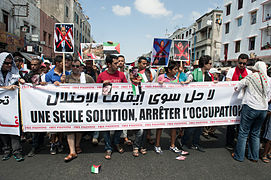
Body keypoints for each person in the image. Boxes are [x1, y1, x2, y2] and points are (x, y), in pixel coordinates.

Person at [232, 61, 271, 162]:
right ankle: (254, 157)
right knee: (256, 133)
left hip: (250, 107)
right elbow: (269, 97)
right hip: (263, 109)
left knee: (243, 132)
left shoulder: (251, 77)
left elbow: (237, 87)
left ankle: (239, 156)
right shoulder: (268, 79)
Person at [61, 59, 95, 162]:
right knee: (70, 128)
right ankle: (72, 151)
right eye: (73, 66)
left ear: (81, 67)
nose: (75, 68)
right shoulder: (66, 78)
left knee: (79, 127)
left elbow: (95, 88)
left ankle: (77, 145)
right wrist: (61, 83)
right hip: (69, 107)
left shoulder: (87, 78)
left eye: (77, 66)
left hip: (82, 107)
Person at [155, 61, 189, 160]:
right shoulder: (161, 77)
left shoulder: (176, 78)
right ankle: (157, 145)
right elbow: (154, 89)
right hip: (162, 105)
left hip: (173, 105)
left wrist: (182, 84)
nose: (176, 70)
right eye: (175, 69)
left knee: (173, 126)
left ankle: (173, 145)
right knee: (160, 126)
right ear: (169, 70)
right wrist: (158, 83)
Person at [96, 54, 128, 160]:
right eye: (115, 63)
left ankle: (116, 143)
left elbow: (126, 89)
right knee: (105, 128)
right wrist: (102, 86)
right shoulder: (101, 76)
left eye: (119, 62)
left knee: (119, 126)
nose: (118, 65)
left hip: (118, 107)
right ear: (108, 64)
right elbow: (95, 92)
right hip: (105, 107)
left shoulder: (122, 75)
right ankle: (108, 147)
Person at [181, 55, 214, 153]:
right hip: (193, 104)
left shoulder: (208, 75)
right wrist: (186, 82)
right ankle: (184, 143)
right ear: (204, 64)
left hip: (203, 105)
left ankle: (196, 143)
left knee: (199, 127)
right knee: (191, 126)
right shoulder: (194, 73)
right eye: (210, 63)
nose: (211, 65)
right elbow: (189, 80)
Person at [0, 52, 24, 162]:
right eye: (6, 63)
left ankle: (17, 151)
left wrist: (22, 82)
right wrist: (5, 88)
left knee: (14, 128)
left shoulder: (15, 74)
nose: (9, 66)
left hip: (12, 106)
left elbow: (21, 84)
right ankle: (6, 149)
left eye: (10, 63)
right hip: (2, 106)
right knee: (2, 128)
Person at [226, 54, 252, 150]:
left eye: (244, 63)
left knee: (241, 124)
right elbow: (227, 83)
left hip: (244, 101)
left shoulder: (249, 72)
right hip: (232, 100)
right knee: (231, 124)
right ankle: (229, 142)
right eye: (240, 63)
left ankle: (239, 144)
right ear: (237, 61)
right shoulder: (231, 71)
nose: (242, 65)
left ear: (247, 63)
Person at [45, 55, 70, 155]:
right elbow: (45, 89)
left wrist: (64, 82)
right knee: (53, 125)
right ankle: (52, 143)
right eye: (63, 62)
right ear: (57, 63)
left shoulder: (67, 73)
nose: (66, 64)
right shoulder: (49, 75)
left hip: (64, 102)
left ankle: (59, 142)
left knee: (61, 124)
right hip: (53, 103)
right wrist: (53, 84)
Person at [22, 58, 47, 157]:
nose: (33, 66)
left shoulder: (44, 76)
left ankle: (40, 144)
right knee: (35, 126)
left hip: (43, 103)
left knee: (41, 126)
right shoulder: (27, 75)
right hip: (31, 104)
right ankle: (34, 146)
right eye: (31, 64)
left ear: (40, 65)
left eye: (35, 65)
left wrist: (45, 84)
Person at [138, 56, 157, 145]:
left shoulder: (149, 72)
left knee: (148, 117)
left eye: (146, 64)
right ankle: (139, 139)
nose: (145, 65)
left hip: (149, 98)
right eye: (143, 63)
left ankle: (148, 135)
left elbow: (153, 83)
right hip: (139, 98)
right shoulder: (135, 72)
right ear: (139, 64)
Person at [118, 55, 132, 145]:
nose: (120, 62)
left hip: (127, 96)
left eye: (122, 61)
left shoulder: (129, 70)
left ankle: (125, 136)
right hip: (117, 96)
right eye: (119, 61)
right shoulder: (114, 71)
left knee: (125, 116)